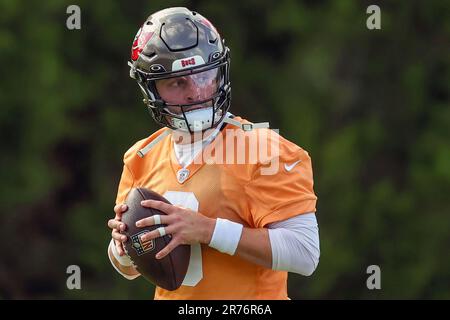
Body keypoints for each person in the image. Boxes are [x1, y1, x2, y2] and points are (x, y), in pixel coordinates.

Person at [107, 7, 320, 300]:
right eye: (178, 82)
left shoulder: (263, 147)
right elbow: (128, 269)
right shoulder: (141, 156)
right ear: (153, 89)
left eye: (204, 75)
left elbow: (305, 253)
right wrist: (123, 246)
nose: (195, 91)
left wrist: (208, 230)